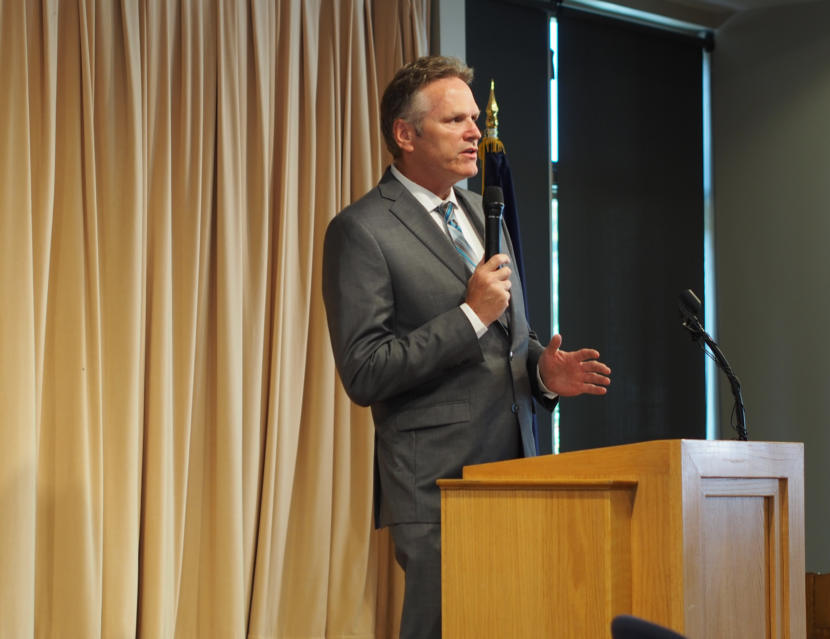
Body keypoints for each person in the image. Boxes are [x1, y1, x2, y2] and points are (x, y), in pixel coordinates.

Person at [322, 55, 611, 639]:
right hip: (436, 487)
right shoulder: (361, 231)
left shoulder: (488, 213)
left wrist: (541, 374)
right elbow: (365, 371)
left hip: (517, 473)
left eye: (475, 119)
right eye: (456, 120)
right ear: (405, 134)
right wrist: (467, 316)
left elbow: (510, 338)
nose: (477, 132)